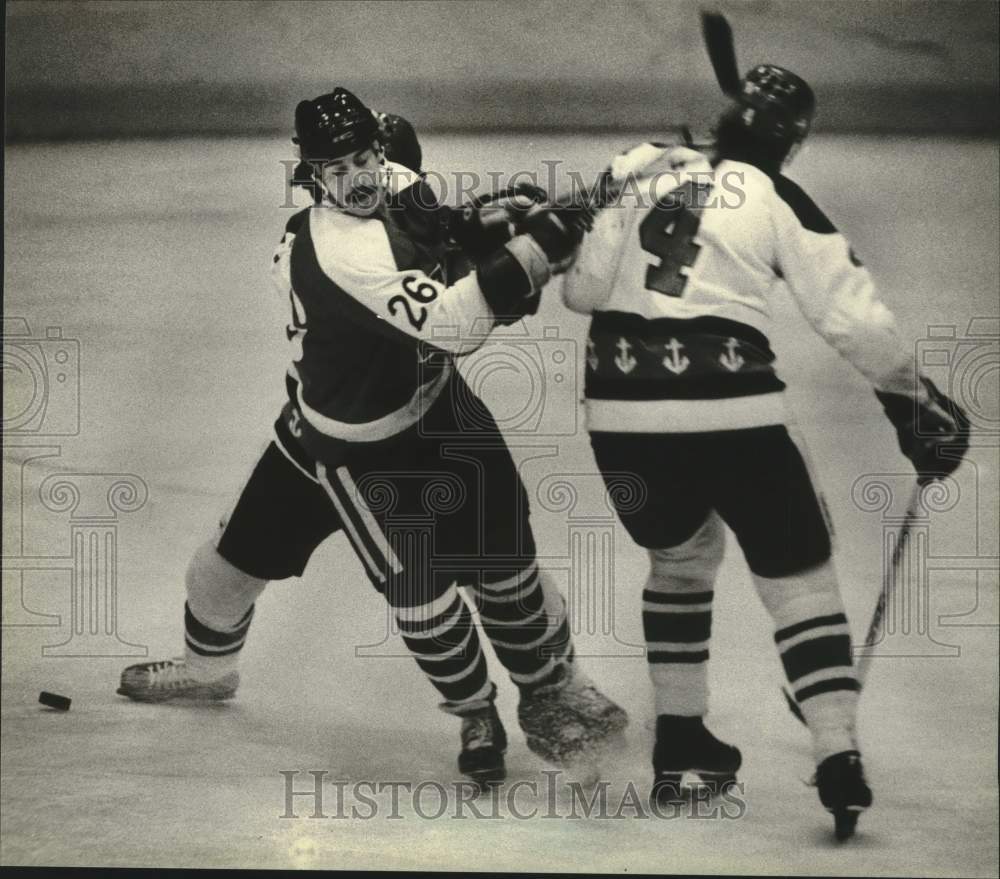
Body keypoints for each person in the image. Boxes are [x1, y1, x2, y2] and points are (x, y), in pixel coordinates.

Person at [117, 88, 628, 790]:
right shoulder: (340, 249)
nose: (362, 178)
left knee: (505, 567)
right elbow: (455, 322)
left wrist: (496, 234)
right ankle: (469, 710)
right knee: (229, 572)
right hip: (346, 446)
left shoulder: (395, 188)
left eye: (368, 159)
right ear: (311, 175)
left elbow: (444, 234)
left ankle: (553, 686)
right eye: (339, 166)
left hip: (431, 413)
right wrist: (534, 250)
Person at [560, 64, 969, 838]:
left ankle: (681, 748)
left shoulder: (641, 167)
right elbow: (854, 319)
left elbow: (579, 291)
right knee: (799, 577)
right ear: (793, 142)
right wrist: (913, 405)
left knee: (679, 562)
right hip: (734, 413)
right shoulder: (779, 196)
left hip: (619, 422)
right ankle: (836, 749)